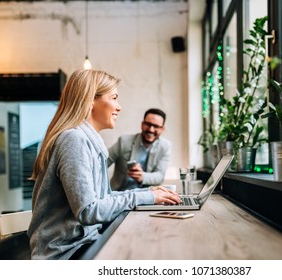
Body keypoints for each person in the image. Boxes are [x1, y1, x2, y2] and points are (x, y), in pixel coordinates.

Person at [27, 69, 180, 260]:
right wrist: (146, 197)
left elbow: (102, 198)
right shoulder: (74, 140)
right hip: (65, 253)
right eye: (114, 98)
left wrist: (147, 194)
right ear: (91, 99)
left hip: (82, 242)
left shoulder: (88, 140)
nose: (119, 107)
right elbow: (89, 211)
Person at [107, 108, 171, 191]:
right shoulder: (124, 141)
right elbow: (101, 163)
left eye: (156, 126)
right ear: (142, 124)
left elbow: (160, 176)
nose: (151, 130)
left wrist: (143, 176)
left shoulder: (165, 146)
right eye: (148, 124)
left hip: (147, 196)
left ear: (162, 129)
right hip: (118, 194)